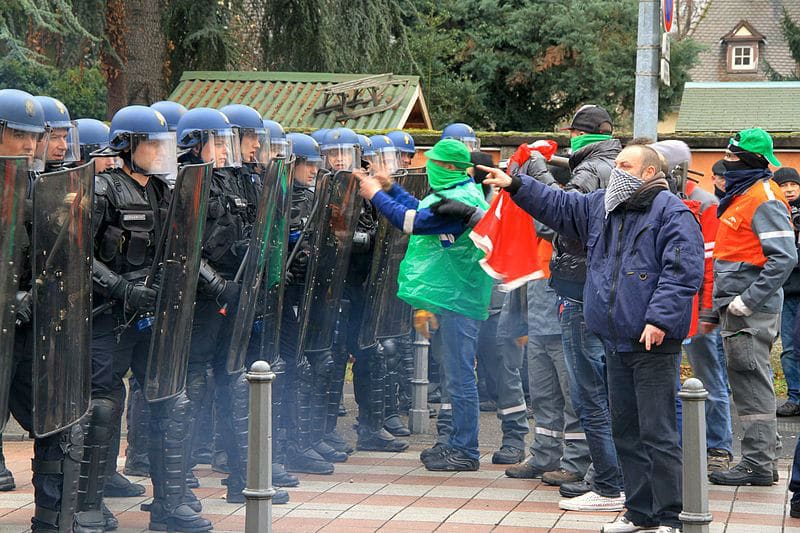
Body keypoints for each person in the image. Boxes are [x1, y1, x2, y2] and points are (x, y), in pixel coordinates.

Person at [478, 142, 704, 533]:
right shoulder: (603, 205)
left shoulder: (672, 212)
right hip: (615, 336)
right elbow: (558, 206)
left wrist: (659, 320)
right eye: (616, 164)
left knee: (657, 432)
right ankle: (639, 513)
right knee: (626, 431)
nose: (617, 171)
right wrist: (516, 184)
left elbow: (682, 271)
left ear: (650, 173)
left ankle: (669, 517)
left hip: (652, 340)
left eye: (626, 165)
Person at [85, 105, 213, 532]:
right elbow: (76, 255)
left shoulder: (164, 191)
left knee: (171, 401)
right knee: (102, 407)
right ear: (125, 146)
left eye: (165, 143)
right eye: (153, 143)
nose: (162, 151)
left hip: (154, 316)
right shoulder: (102, 189)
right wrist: (122, 288)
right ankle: (89, 502)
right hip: (110, 316)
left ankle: (171, 503)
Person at [357, 138, 492, 471]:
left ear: (448, 167)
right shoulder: (454, 191)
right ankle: (455, 441)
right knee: (453, 373)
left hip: (460, 298)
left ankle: (466, 449)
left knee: (460, 376)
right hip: (453, 296)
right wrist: (391, 188)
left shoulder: (459, 199)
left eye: (434, 162)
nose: (428, 166)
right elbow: (421, 208)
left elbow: (411, 222)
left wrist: (375, 194)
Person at [708, 129, 797, 486]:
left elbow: (784, 258)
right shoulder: (745, 194)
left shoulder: (763, 198)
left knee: (751, 385)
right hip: (737, 308)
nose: (727, 163)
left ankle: (759, 463)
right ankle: (761, 457)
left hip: (748, 311)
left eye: (732, 158)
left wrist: (747, 301)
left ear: (751, 161)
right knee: (747, 383)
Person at [650, 141, 734, 474]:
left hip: (697, 308)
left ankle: (718, 447)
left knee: (709, 378)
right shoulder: (658, 200)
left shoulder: (705, 205)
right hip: (666, 308)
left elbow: (711, 264)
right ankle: (680, 449)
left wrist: (707, 311)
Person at [775, 167, 800, 417]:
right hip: (785, 290)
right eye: (784, 185)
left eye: (793, 184)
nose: (789, 189)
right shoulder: (773, 211)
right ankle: (794, 396)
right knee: (789, 348)